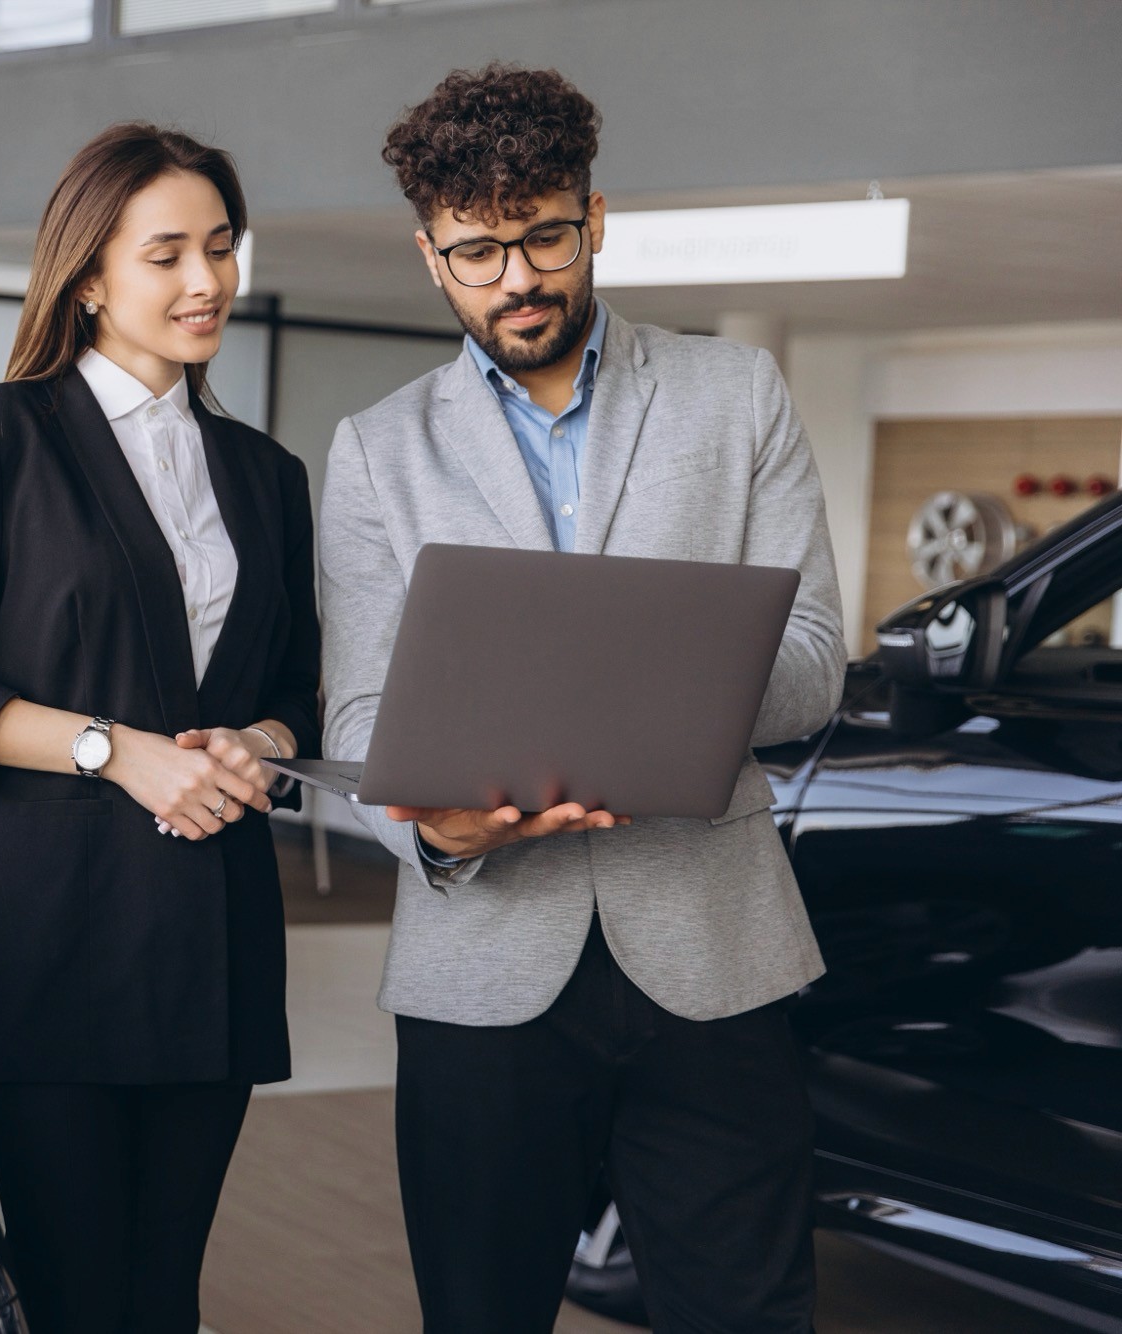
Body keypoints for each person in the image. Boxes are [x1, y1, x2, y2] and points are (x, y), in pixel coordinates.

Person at [319, 64, 845, 1333]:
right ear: (427, 253)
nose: (517, 276)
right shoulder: (375, 449)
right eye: (477, 250)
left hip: (714, 957)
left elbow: (816, 657)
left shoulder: (737, 393)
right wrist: (432, 827)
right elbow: (355, 722)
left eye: (544, 234)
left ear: (594, 216)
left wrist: (663, 678)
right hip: (483, 973)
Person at [0, 123, 320, 1334]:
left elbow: (300, 689)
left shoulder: (265, 475)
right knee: (72, 1290)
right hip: (45, 934)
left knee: (165, 1291)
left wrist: (257, 744)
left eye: (219, 247)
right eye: (165, 252)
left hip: (206, 941)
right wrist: (116, 750)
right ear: (86, 276)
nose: (205, 280)